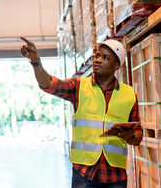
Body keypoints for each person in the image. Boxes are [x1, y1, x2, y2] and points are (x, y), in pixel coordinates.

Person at [20, 37, 143, 188]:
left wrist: (128, 136)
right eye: (97, 56)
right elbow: (49, 84)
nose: (98, 60)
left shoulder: (129, 94)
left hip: (115, 176)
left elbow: (138, 135)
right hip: (84, 174)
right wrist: (35, 61)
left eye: (105, 58)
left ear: (116, 65)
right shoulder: (79, 86)